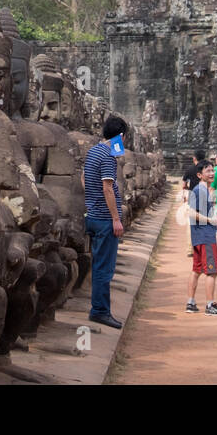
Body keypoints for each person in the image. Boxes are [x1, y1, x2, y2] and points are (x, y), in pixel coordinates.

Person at [84, 114, 129, 330]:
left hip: (93, 215)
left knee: (98, 264)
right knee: (104, 267)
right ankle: (100, 311)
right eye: (124, 139)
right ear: (120, 136)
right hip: (104, 220)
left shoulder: (93, 151)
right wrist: (116, 219)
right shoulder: (108, 156)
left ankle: (99, 308)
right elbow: (107, 188)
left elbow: (85, 180)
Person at [185, 161, 217, 315]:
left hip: (200, 235)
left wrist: (216, 223)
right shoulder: (200, 190)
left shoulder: (204, 190)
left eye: (212, 170)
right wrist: (211, 221)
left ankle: (191, 302)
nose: (211, 173)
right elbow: (190, 212)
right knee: (211, 272)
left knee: (196, 270)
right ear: (199, 174)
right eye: (208, 171)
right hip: (205, 237)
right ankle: (210, 306)